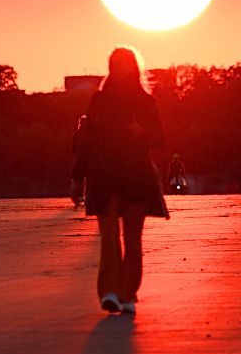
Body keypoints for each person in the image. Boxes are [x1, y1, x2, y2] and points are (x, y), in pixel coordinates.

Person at [72, 46, 169, 315]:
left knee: (133, 240)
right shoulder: (99, 100)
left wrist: (142, 134)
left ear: (132, 67)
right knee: (109, 239)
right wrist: (77, 178)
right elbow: (86, 142)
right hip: (104, 177)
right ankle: (110, 293)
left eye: (122, 63)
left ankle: (128, 294)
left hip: (136, 177)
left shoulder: (144, 101)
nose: (116, 68)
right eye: (113, 63)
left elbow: (159, 138)